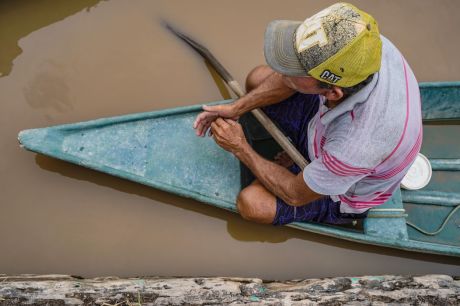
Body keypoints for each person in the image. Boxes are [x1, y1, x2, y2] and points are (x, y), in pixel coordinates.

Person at [193, 3, 422, 226]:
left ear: (332, 92)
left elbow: (295, 195)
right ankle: (304, 148)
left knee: (252, 204)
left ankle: (325, 193)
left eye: (296, 71)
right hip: (325, 128)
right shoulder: (361, 44)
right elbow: (286, 76)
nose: (284, 72)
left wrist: (240, 147)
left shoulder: (355, 147)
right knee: (257, 78)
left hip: (341, 191)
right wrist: (237, 108)